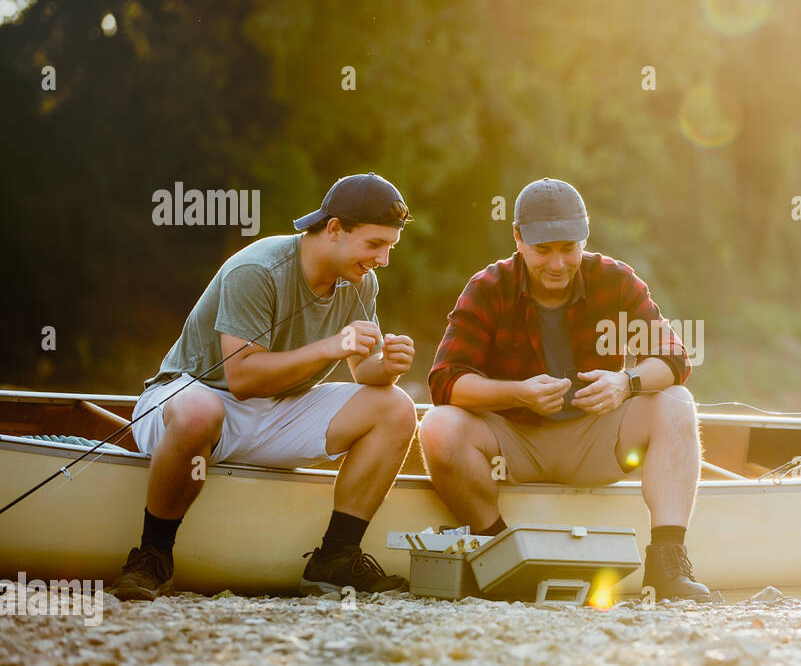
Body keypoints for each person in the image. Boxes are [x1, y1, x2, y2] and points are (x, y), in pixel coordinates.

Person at [109, 173, 418, 600]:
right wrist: (330, 347)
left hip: (278, 410)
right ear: (333, 229)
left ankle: (335, 558)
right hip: (196, 396)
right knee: (202, 411)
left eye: (389, 247)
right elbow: (241, 379)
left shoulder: (360, 280)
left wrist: (389, 366)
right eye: (374, 244)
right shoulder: (258, 269)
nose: (383, 259)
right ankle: (152, 557)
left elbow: (364, 372)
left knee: (397, 407)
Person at [420, 177, 711, 601]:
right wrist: (516, 393)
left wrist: (624, 383)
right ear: (518, 239)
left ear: (583, 240)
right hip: (512, 442)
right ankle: (501, 559)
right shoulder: (488, 287)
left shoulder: (613, 279)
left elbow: (674, 358)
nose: (557, 264)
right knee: (438, 426)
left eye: (568, 248)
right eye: (543, 250)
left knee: (676, 402)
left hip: (595, 440)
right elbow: (445, 381)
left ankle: (667, 562)